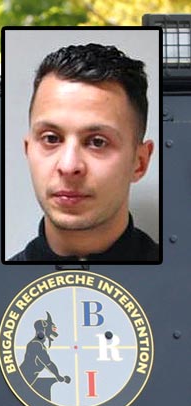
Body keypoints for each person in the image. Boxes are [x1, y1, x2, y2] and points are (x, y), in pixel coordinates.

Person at [10, 42, 158, 262]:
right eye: (51, 139)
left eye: (97, 142)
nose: (69, 166)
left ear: (140, 162)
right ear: (28, 150)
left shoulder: (180, 279)